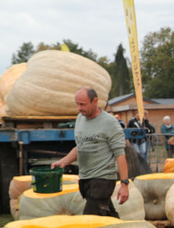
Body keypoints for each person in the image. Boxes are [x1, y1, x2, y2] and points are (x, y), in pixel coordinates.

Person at [51, 87, 129, 217]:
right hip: (86, 179)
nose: (79, 108)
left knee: (90, 218)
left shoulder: (109, 123)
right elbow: (81, 146)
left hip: (103, 179)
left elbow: (120, 154)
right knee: (107, 215)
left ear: (95, 101)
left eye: (83, 104)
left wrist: (124, 184)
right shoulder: (80, 119)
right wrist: (64, 161)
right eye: (77, 104)